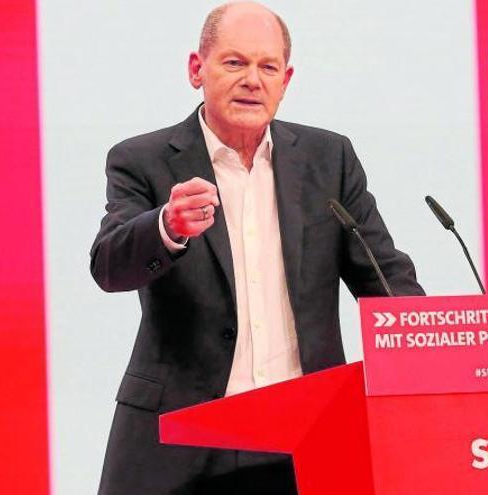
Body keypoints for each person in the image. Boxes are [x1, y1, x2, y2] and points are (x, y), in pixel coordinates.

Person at [90, 2, 423, 494]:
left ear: (285, 81)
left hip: (307, 438)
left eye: (268, 67)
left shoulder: (328, 159)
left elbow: (383, 276)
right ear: (196, 69)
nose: (252, 79)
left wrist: (436, 348)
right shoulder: (143, 160)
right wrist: (167, 225)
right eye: (234, 62)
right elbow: (109, 265)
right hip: (183, 440)